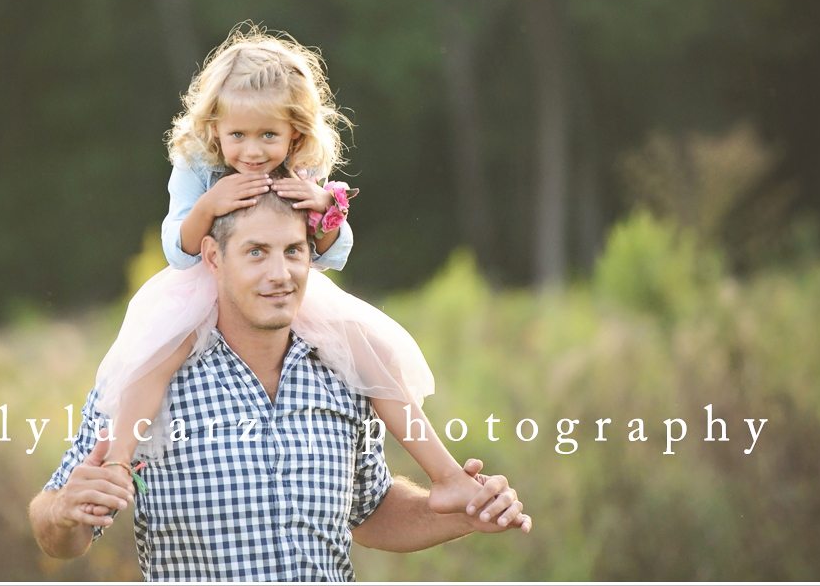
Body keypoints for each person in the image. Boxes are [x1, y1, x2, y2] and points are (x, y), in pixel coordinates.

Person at [29, 188, 531, 580]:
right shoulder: (148, 378)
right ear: (212, 257)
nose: (280, 273)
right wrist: (65, 512)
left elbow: (371, 513)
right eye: (256, 252)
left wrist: (466, 513)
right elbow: (57, 533)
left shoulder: (344, 372)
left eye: (294, 250)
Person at [90, 24, 483, 514]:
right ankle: (117, 466)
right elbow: (179, 249)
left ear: (295, 132)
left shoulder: (301, 168)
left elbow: (330, 254)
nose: (252, 152)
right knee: (155, 359)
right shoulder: (196, 165)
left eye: (268, 136)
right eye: (238, 135)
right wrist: (209, 206)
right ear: (214, 128)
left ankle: (446, 476)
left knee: (372, 351)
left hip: (283, 286)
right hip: (202, 283)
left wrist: (322, 205)